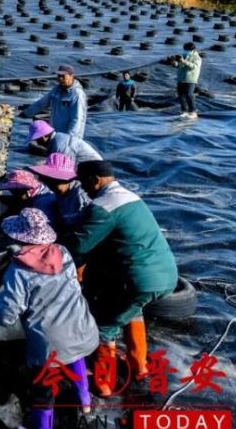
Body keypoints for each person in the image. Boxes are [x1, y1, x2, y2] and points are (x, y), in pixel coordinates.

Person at [0, 208, 97, 429]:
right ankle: (86, 404)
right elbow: (47, 266)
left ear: (20, 239)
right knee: (76, 358)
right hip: (80, 328)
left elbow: (8, 313)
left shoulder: (18, 272)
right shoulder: (64, 253)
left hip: (50, 345)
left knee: (44, 394)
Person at [65, 160, 178, 397]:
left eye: (85, 184)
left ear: (95, 180)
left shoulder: (103, 207)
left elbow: (80, 244)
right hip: (166, 275)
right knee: (132, 311)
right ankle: (141, 369)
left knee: (105, 325)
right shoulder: (130, 197)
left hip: (137, 280)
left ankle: (104, 385)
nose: (84, 189)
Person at [29, 153, 92, 236]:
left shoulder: (80, 196)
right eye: (48, 182)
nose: (50, 186)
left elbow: (87, 227)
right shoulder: (60, 192)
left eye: (53, 182)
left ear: (66, 180)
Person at [23, 65, 88, 139]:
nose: (60, 78)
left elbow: (76, 120)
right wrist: (25, 113)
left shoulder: (77, 95)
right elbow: (41, 104)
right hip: (56, 134)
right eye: (59, 76)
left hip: (69, 138)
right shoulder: (57, 90)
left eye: (63, 76)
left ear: (71, 76)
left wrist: (69, 140)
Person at [26, 120, 102, 165]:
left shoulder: (61, 145)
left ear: (44, 136)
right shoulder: (54, 142)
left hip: (95, 171)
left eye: (37, 139)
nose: (37, 143)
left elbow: (64, 170)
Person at [172, 42, 202, 119]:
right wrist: (174, 62)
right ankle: (184, 111)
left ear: (192, 50)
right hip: (181, 78)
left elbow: (194, 67)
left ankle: (193, 111)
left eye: (187, 49)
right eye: (184, 49)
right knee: (180, 95)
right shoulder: (184, 56)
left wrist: (183, 61)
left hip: (190, 79)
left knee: (189, 95)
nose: (185, 51)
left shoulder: (197, 58)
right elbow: (179, 66)